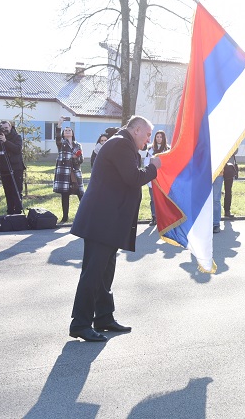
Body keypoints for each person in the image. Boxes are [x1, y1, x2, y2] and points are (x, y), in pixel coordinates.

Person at [69, 116, 161, 342]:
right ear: (137, 130)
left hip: (107, 220)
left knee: (104, 272)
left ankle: (103, 317)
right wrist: (153, 168)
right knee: (93, 273)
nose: (149, 139)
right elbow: (132, 178)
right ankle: (80, 323)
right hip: (102, 220)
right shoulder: (121, 144)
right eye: (148, 134)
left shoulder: (123, 144)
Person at [0, 120, 25, 215]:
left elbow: (17, 149)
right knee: (8, 192)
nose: (5, 130)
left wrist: (5, 141)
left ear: (10, 127)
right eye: (3, 129)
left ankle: (18, 213)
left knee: (17, 191)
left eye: (6, 128)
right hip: (3, 168)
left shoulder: (17, 137)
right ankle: (10, 211)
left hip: (16, 168)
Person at [53, 118, 84, 223]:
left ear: (72, 133)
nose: (67, 131)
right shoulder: (61, 143)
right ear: (63, 134)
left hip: (75, 172)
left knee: (81, 194)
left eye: (69, 130)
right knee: (65, 194)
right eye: (65, 130)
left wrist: (76, 158)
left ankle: (84, 216)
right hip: (64, 172)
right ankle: (65, 217)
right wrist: (59, 125)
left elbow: (81, 160)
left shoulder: (78, 145)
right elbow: (57, 137)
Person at [144, 130, 169, 226]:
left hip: (163, 178)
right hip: (152, 177)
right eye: (157, 137)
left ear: (163, 138)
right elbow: (146, 162)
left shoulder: (167, 149)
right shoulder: (150, 149)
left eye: (161, 137)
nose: (159, 138)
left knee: (163, 199)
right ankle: (154, 217)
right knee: (153, 199)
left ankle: (164, 217)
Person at [223, 150, 238, 219]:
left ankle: (227, 211)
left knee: (228, 191)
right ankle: (214, 212)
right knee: (215, 193)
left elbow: (235, 150)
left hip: (229, 168)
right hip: (218, 168)